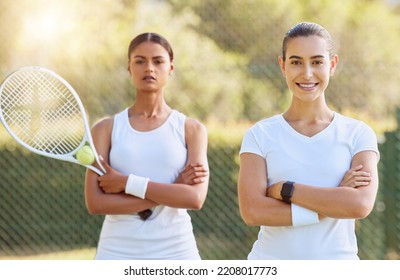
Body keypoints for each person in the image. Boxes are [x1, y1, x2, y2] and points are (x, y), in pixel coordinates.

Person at [237, 22, 379, 260]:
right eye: (296, 62)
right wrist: (328, 207)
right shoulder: (259, 135)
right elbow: (252, 211)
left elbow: (359, 204)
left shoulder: (358, 134)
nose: (307, 73)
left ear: (332, 65)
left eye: (317, 61)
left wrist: (286, 189)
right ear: (283, 66)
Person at [85, 32, 209, 260]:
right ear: (129, 68)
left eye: (158, 61)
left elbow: (194, 199)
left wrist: (125, 183)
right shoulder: (104, 129)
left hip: (176, 249)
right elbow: (95, 202)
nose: (149, 68)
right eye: (140, 61)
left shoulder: (192, 129)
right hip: (117, 250)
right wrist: (173, 188)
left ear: (171, 67)